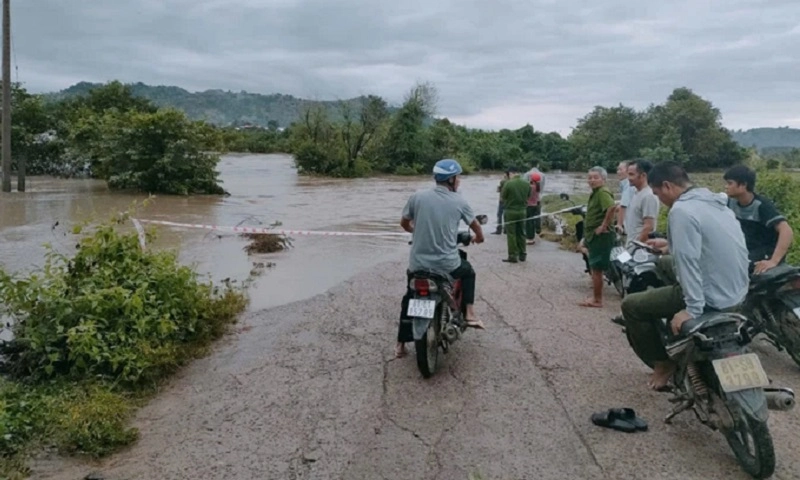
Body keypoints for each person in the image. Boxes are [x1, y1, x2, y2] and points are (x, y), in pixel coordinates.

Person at [621, 161, 749, 390]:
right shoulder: (717, 203)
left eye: (659, 194)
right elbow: (706, 244)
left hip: (710, 294)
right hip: (737, 290)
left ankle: (662, 364)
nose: (660, 199)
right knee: (664, 263)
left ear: (667, 186)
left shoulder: (681, 211)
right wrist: (670, 244)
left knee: (631, 306)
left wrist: (692, 309)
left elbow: (688, 263)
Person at [396, 159, 485, 358]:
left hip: (418, 264)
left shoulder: (417, 197)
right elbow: (476, 227)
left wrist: (416, 231)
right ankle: (469, 313)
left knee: (409, 297)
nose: (459, 181)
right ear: (452, 179)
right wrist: (479, 238)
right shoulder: (459, 201)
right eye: (458, 177)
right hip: (447, 265)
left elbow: (404, 224)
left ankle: (400, 345)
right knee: (468, 271)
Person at [723, 164, 794, 274]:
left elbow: (786, 231)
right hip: (746, 249)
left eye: (730, 183)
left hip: (764, 251)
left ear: (743, 185)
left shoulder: (761, 205)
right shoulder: (729, 203)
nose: (726, 187)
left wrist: (773, 261)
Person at [579, 166, 617, 308]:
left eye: (595, 177)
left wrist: (604, 225)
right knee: (595, 267)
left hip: (601, 236)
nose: (592, 180)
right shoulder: (596, 192)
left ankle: (597, 300)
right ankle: (596, 297)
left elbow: (611, 207)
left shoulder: (602, 192)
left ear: (604, 179)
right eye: (590, 177)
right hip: (593, 235)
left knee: (597, 269)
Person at [624, 159, 660, 245]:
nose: (628, 178)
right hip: (631, 243)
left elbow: (648, 226)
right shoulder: (636, 193)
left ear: (643, 175)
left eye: (631, 174)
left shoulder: (649, 196)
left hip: (639, 249)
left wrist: (637, 245)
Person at [501, 167, 531, 263]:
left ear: (510, 173)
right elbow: (528, 196)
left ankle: (513, 256)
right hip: (522, 211)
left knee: (511, 234)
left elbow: (503, 197)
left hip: (510, 211)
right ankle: (523, 255)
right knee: (522, 232)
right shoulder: (527, 183)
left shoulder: (508, 183)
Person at [615, 161, 634, 234]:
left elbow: (623, 205)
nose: (618, 172)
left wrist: (619, 224)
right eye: (618, 169)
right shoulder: (625, 183)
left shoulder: (628, 185)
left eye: (620, 169)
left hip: (628, 224)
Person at [526, 172, 542, 245]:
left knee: (529, 222)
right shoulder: (537, 187)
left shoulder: (531, 187)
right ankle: (532, 236)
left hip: (529, 206)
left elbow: (526, 195)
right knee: (532, 221)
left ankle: (530, 238)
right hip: (536, 205)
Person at [493, 170, 511, 235]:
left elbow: (498, 190)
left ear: (506, 174)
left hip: (502, 200)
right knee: (506, 215)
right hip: (509, 201)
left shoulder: (503, 181)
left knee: (499, 214)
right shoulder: (511, 181)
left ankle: (499, 229)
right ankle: (506, 229)